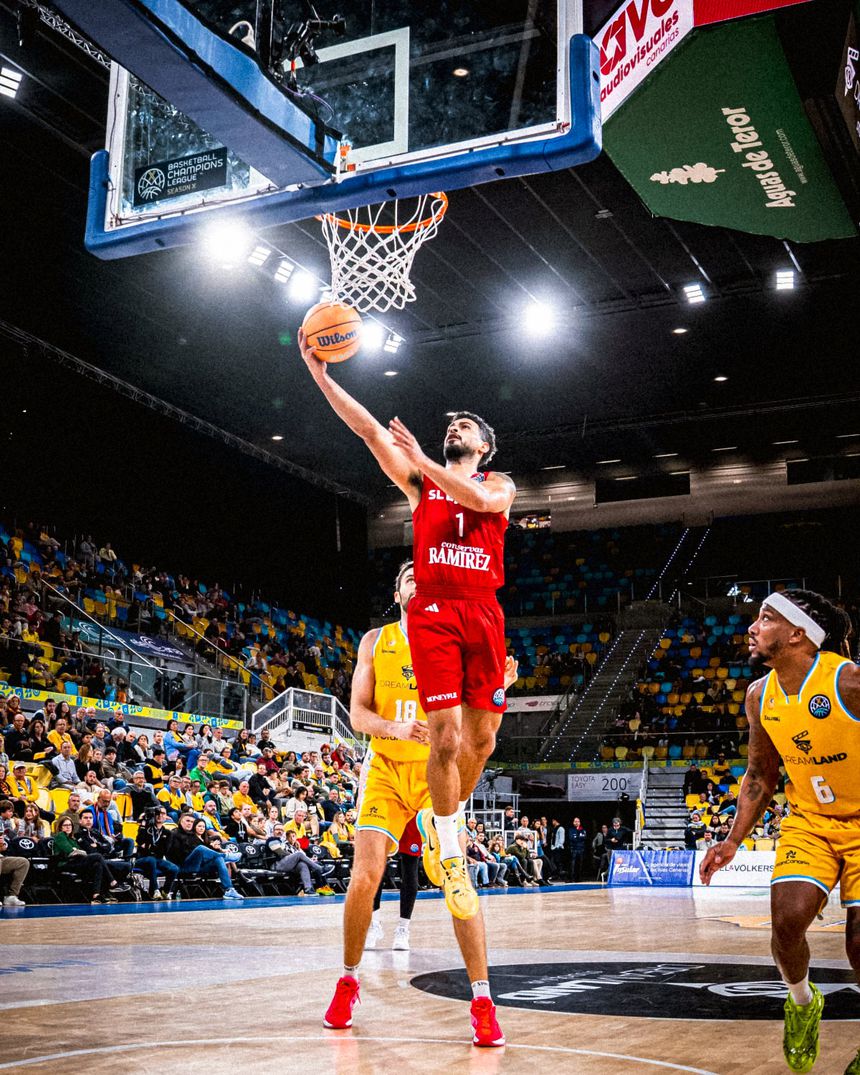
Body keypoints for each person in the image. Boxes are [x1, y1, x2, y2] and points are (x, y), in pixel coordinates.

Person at [300, 334, 515, 927]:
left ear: (485, 446)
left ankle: (443, 819)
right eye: (453, 426)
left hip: (484, 611)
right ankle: (449, 842)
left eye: (467, 427)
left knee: (483, 742)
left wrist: (422, 458)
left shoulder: (498, 487)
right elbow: (370, 431)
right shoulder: (421, 487)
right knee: (443, 738)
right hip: (439, 613)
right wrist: (319, 373)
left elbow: (474, 495)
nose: (457, 429)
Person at [323, 560, 516, 1047]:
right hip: (386, 767)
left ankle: (483, 1002)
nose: (417, 581)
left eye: (424, 578)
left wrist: (499, 688)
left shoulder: (455, 641)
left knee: (457, 879)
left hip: (437, 774)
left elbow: (476, 717)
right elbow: (358, 714)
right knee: (365, 875)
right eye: (409, 577)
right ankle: (348, 981)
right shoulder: (376, 641)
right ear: (398, 592)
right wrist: (395, 729)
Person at [699, 590, 859, 1075]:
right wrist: (731, 840)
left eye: (765, 618)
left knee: (858, 943)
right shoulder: (758, 695)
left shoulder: (847, 681)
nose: (752, 627)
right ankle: (803, 1003)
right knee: (786, 923)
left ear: (797, 634)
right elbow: (760, 776)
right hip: (810, 822)